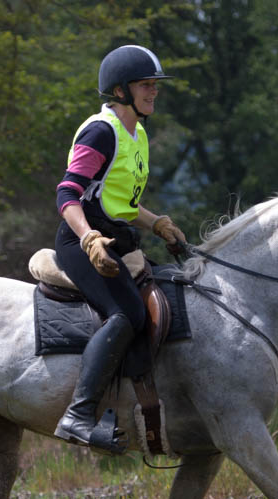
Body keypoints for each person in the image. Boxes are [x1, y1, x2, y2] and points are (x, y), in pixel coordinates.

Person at [53, 44, 186, 453]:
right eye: (146, 85)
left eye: (155, 86)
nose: (154, 92)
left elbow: (121, 203)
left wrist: (157, 223)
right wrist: (89, 238)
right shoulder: (101, 131)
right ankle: (77, 415)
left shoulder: (137, 133)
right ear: (120, 90)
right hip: (81, 243)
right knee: (127, 311)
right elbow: (67, 194)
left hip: (117, 240)